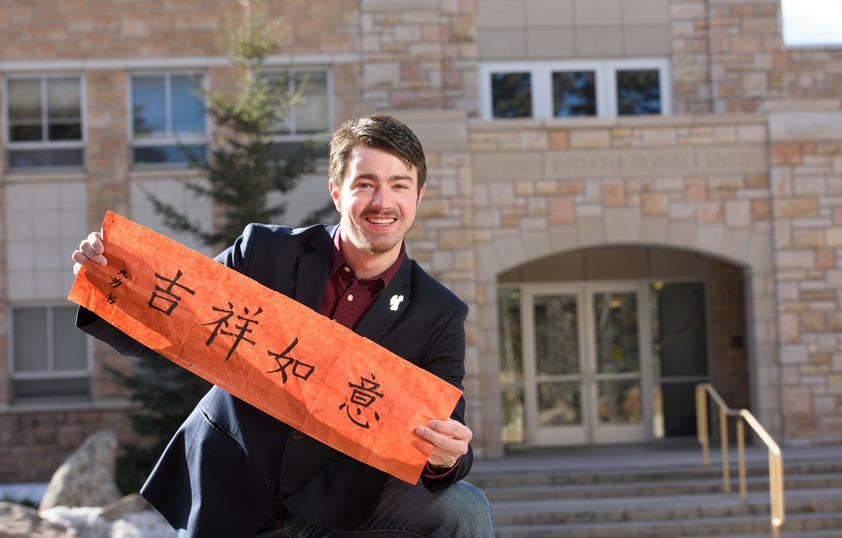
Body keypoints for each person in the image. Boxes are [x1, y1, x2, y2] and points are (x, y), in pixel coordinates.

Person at [71, 114, 494, 537]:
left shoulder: (438, 312)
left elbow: (447, 436)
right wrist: (108, 275)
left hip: (336, 503)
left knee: (465, 508)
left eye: (400, 185)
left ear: (419, 195)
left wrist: (446, 459)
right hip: (231, 483)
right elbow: (165, 324)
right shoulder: (264, 252)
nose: (382, 201)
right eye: (365, 183)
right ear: (336, 192)